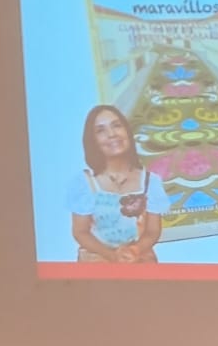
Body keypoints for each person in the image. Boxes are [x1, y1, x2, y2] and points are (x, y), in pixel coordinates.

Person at [68, 105, 170, 263]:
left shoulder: (151, 181)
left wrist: (134, 251)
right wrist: (112, 256)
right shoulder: (84, 182)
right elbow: (80, 232)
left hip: (139, 261)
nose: (112, 134)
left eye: (116, 126)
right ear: (93, 141)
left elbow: (152, 232)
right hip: (95, 263)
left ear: (127, 131)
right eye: (101, 130)